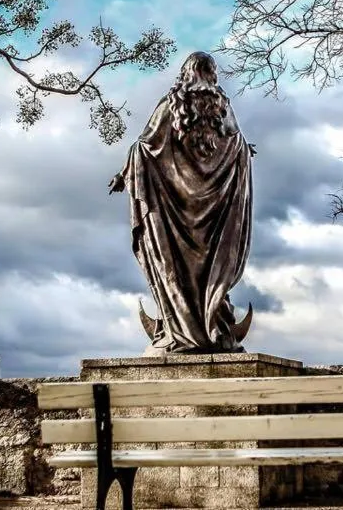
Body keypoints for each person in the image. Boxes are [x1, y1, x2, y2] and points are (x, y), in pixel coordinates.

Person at [109, 51, 255, 354]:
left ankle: (181, 327)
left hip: (173, 214)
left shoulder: (171, 105)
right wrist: (242, 150)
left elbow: (144, 146)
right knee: (209, 270)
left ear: (184, 74)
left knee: (174, 268)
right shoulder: (221, 107)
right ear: (211, 73)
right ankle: (212, 324)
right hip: (214, 212)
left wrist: (127, 172)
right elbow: (235, 141)